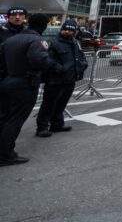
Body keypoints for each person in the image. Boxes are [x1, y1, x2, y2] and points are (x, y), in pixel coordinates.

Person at [0, 13, 62, 166]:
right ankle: (6, 154)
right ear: (43, 26)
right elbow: (39, 59)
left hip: (8, 81)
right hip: (25, 83)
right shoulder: (36, 40)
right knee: (15, 120)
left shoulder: (10, 40)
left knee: (5, 118)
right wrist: (56, 67)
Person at [35, 20, 88, 137]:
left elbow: (81, 57)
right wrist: (60, 69)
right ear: (61, 29)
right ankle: (42, 127)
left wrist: (83, 66)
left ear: (74, 31)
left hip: (70, 79)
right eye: (65, 29)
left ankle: (57, 125)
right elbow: (48, 60)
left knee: (61, 104)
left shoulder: (75, 42)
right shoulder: (53, 42)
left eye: (70, 30)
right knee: (49, 104)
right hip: (55, 80)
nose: (67, 32)